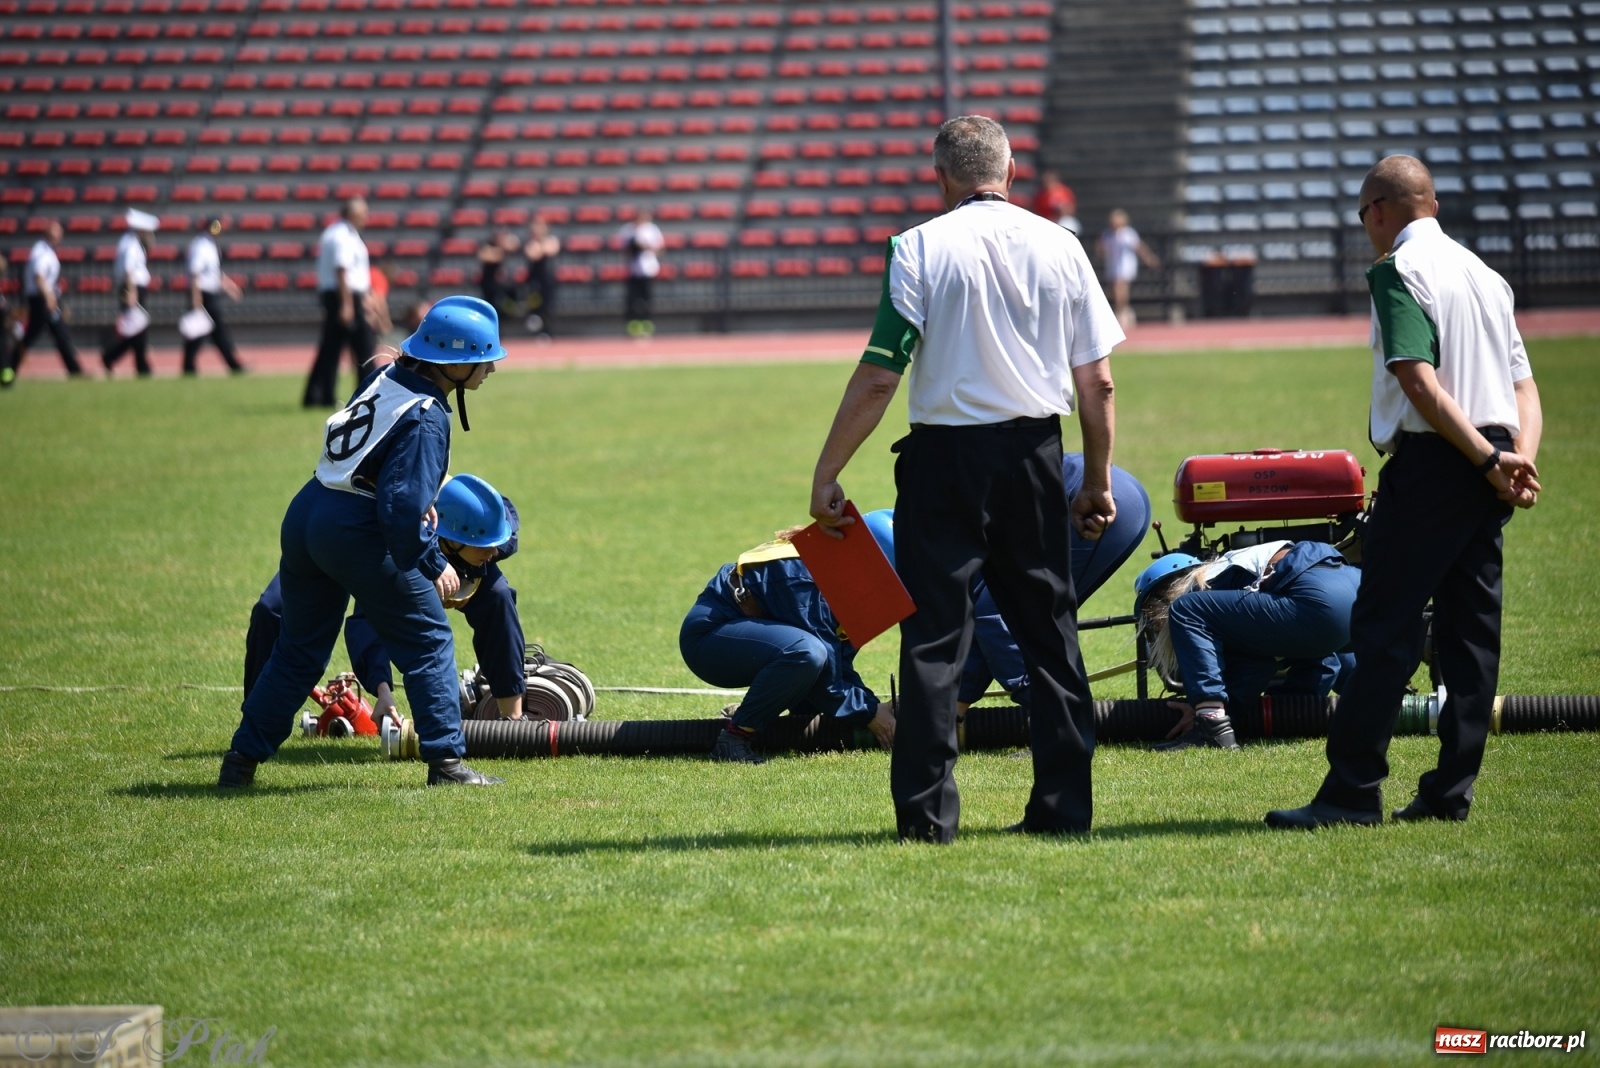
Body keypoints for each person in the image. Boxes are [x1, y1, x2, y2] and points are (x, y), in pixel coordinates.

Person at [809, 115, 1124, 843]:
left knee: (933, 643)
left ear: (941, 179)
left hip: (946, 464)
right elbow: (1098, 384)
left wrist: (829, 469)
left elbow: (882, 374)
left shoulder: (917, 246)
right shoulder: (1063, 246)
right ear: (1012, 173)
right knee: (1051, 637)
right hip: (1034, 460)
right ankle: (1063, 812)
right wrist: (1096, 479)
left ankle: (926, 819)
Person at [1266, 154, 1543, 830]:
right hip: (1493, 461)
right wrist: (1516, 460)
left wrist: (1480, 460)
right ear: (1436, 206)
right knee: (1471, 635)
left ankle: (1351, 792)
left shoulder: (1399, 270)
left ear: (1380, 211)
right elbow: (1525, 387)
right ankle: (1450, 793)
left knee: (1384, 628)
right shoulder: (1486, 275)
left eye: (1364, 215)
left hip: (1439, 462)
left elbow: (1416, 378)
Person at [219, 296, 509, 789]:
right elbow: (398, 506)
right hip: (355, 527)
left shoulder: (388, 375)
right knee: (429, 639)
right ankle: (447, 764)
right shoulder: (427, 416)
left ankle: (240, 761)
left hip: (310, 509)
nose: (491, 367)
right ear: (454, 362)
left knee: (297, 652)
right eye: (484, 357)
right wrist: (430, 559)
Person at [245, 474, 531, 723]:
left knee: (497, 596)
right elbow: (367, 619)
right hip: (345, 524)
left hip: (420, 527)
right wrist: (383, 691)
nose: (493, 552)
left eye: (496, 545)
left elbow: (500, 527)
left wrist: (511, 725)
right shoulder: (398, 543)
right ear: (451, 538)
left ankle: (513, 716)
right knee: (271, 609)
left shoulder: (480, 521)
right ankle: (255, 720)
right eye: (485, 546)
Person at [682, 512, 898, 765]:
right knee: (806, 653)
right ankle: (734, 739)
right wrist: (871, 712)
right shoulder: (805, 575)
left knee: (811, 688)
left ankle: (758, 718)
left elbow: (837, 663)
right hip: (710, 640)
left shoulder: (837, 569)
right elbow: (823, 668)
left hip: (752, 636)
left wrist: (873, 708)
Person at [958, 456, 1150, 717]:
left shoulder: (943, 517)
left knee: (1001, 613)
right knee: (1003, 610)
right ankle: (1059, 721)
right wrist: (956, 702)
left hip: (1094, 500)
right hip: (1114, 488)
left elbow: (987, 614)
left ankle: (1060, 725)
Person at [1132, 541, 1361, 751]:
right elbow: (1257, 662)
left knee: (1186, 609)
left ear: (1163, 597)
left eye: (1154, 618)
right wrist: (1287, 715)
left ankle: (1211, 727)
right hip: (1356, 590)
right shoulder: (1233, 581)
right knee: (1352, 680)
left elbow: (1253, 664)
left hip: (1320, 599)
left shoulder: (1202, 585)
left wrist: (1206, 711)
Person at [304, 197, 375, 408]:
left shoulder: (340, 233)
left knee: (331, 348)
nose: (366, 218)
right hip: (344, 296)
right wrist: (347, 304)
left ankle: (317, 395)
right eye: (363, 213)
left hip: (345, 296)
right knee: (363, 346)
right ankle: (369, 394)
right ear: (353, 214)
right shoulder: (342, 236)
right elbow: (342, 270)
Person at [2, 219, 84, 387]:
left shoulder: (47, 250)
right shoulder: (41, 252)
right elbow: (39, 276)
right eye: (57, 231)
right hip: (41, 300)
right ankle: (8, 370)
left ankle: (75, 371)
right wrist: (48, 297)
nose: (60, 235)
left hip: (46, 298)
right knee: (30, 337)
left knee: (60, 334)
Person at [181, 216, 246, 376]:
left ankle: (189, 367)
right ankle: (233, 365)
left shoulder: (210, 246)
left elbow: (214, 274)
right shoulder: (201, 246)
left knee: (202, 333)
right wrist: (196, 298)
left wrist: (230, 287)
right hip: (203, 295)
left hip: (209, 293)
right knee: (213, 332)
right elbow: (195, 272)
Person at [101, 209, 159, 378]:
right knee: (137, 328)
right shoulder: (131, 244)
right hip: (133, 288)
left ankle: (112, 357)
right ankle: (141, 367)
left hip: (132, 287)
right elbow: (129, 269)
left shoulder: (129, 241)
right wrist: (131, 291)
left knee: (136, 329)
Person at [1097, 208, 1160, 331]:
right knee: (1114, 290)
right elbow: (1101, 249)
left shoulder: (1128, 233)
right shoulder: (1107, 234)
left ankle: (1122, 313)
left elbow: (1139, 247)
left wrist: (1149, 258)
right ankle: (1124, 309)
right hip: (1112, 265)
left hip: (1126, 265)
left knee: (1120, 288)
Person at [616, 209, 663, 337]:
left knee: (647, 298)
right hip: (632, 270)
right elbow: (623, 248)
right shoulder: (628, 230)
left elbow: (660, 249)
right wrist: (633, 245)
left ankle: (647, 324)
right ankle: (633, 325)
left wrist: (645, 246)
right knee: (632, 299)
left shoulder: (652, 229)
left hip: (648, 269)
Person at [522, 217, 560, 339]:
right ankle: (536, 332)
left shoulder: (551, 240)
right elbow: (534, 254)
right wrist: (540, 247)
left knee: (548, 307)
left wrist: (541, 247)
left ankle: (547, 332)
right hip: (534, 282)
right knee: (534, 307)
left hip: (548, 280)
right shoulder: (530, 243)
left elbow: (551, 250)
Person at [1032, 170, 1080, 235]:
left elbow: (1071, 210)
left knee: (1068, 223)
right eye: (1046, 181)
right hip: (1048, 221)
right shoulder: (1040, 195)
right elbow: (1037, 212)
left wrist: (1060, 209)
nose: (1048, 183)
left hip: (1062, 220)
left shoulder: (1064, 191)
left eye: (1050, 180)